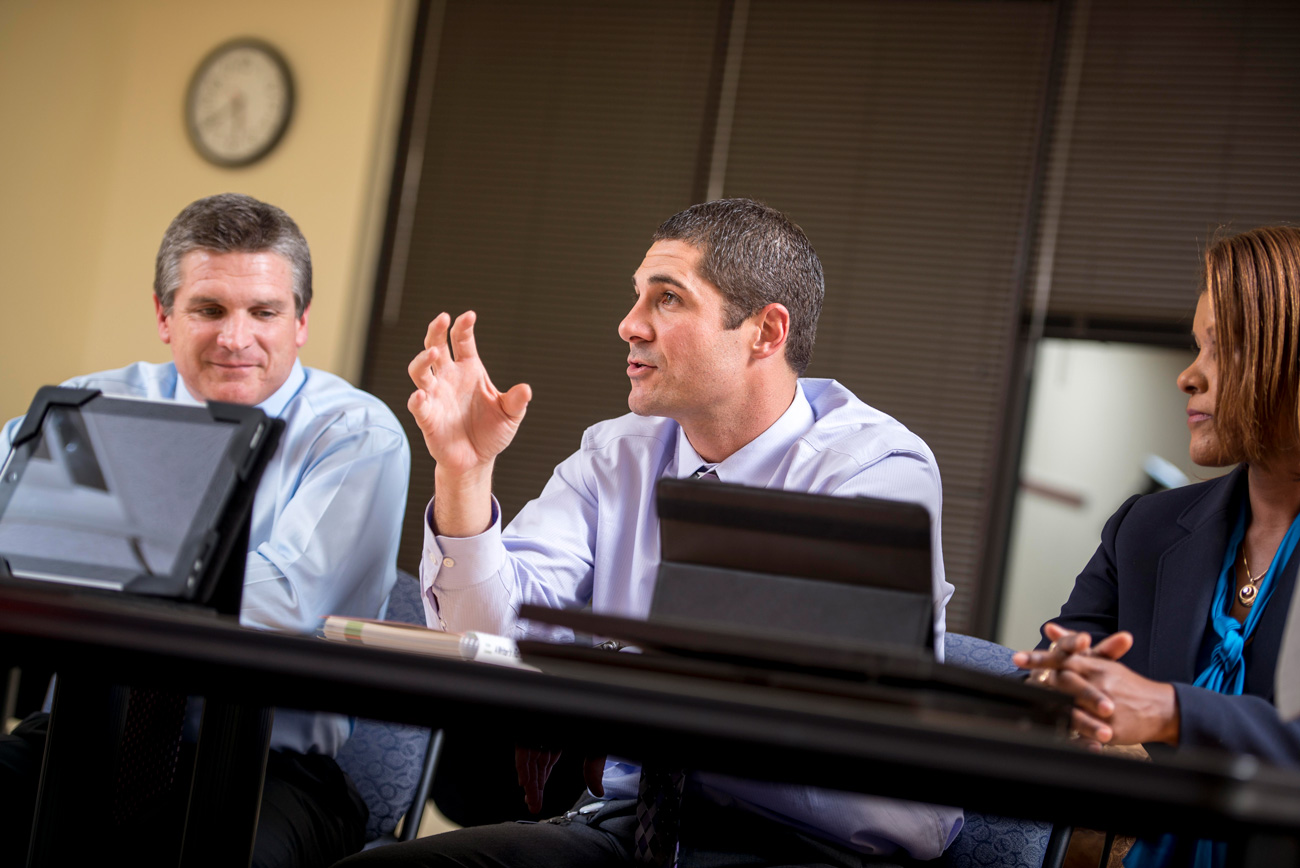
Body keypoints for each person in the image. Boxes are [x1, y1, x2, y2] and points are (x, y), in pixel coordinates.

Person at [337, 199, 959, 868]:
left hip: (819, 844)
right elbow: (490, 630)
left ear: (764, 331)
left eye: (667, 300)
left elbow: (804, 686)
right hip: (643, 827)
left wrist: (599, 657)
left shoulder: (875, 467)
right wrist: (465, 472)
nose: (629, 325)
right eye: (638, 297)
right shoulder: (616, 453)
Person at [0, 193, 411, 868]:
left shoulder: (354, 436)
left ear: (302, 320)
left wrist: (88, 551)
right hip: (76, 739)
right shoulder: (93, 407)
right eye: (209, 309)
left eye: (264, 312)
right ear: (164, 315)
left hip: (269, 768)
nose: (235, 337)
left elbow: (282, 605)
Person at [1013, 226, 1300, 867]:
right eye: (1196, 347)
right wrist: (1064, 688)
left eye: (1220, 350)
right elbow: (1056, 669)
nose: (1187, 376)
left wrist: (1172, 711)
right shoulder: (1143, 529)